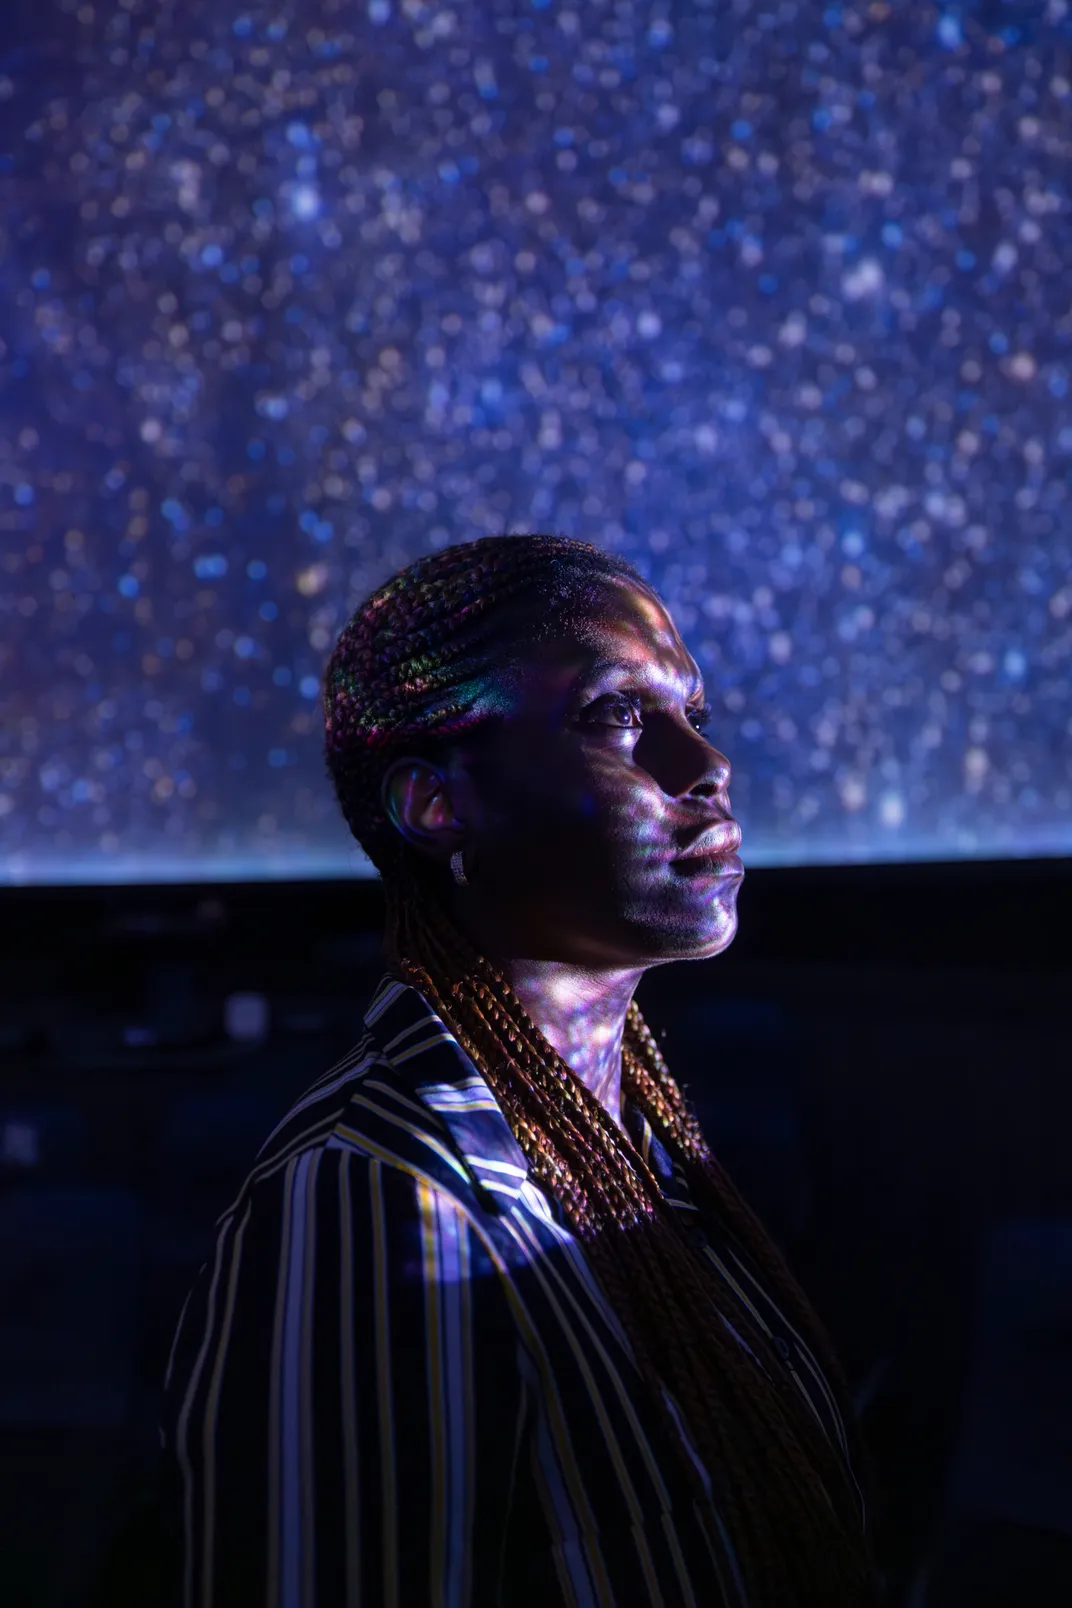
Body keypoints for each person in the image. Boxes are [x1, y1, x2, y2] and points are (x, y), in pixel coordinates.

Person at [160, 533, 883, 1607]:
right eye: (615, 716)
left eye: (696, 716)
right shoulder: (373, 1195)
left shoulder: (641, 1154)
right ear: (439, 805)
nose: (705, 767)